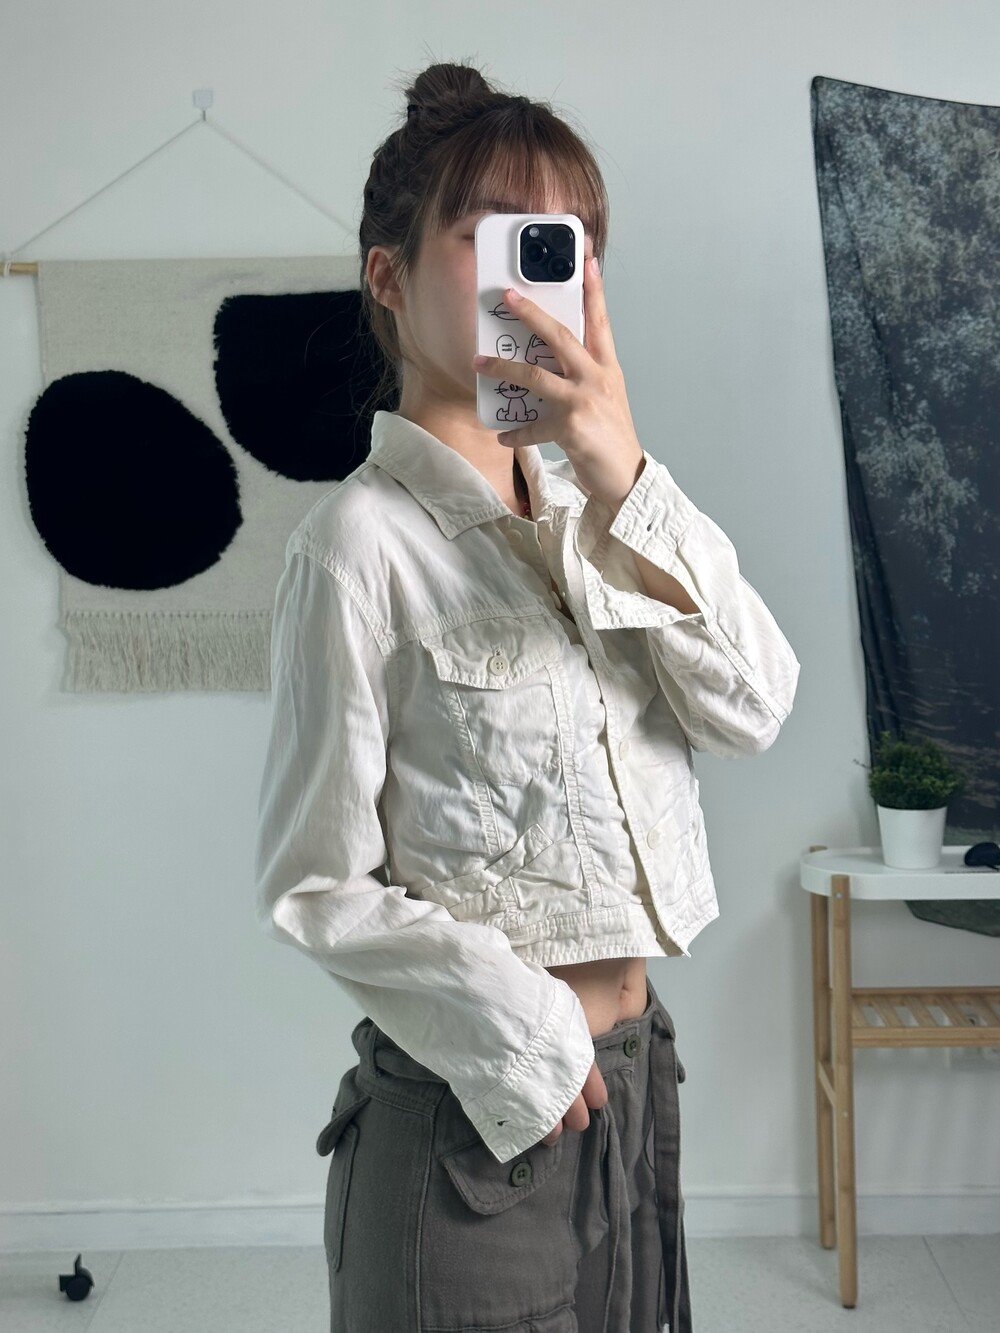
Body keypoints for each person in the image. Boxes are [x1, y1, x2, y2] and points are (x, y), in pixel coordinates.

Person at [255, 59, 800, 1333]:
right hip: (472, 1122)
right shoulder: (354, 548)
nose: (536, 279)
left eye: (564, 246)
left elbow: (752, 708)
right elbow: (315, 881)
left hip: (635, 1089)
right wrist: (530, 1037)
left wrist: (624, 478)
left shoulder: (605, 512)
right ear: (388, 276)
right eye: (493, 238)